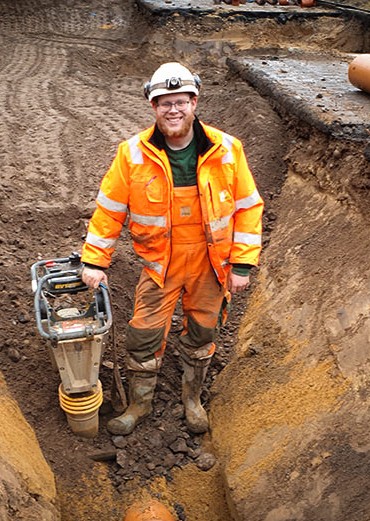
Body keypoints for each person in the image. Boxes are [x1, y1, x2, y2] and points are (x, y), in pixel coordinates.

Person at [79, 62, 264, 436]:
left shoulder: (227, 150)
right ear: (153, 107)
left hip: (210, 265)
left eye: (180, 101)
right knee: (143, 336)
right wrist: (95, 260)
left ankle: (191, 399)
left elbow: (248, 207)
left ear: (194, 101)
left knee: (202, 333)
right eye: (164, 103)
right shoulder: (132, 154)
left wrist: (242, 264)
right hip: (159, 265)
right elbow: (110, 210)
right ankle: (139, 404)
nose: (173, 110)